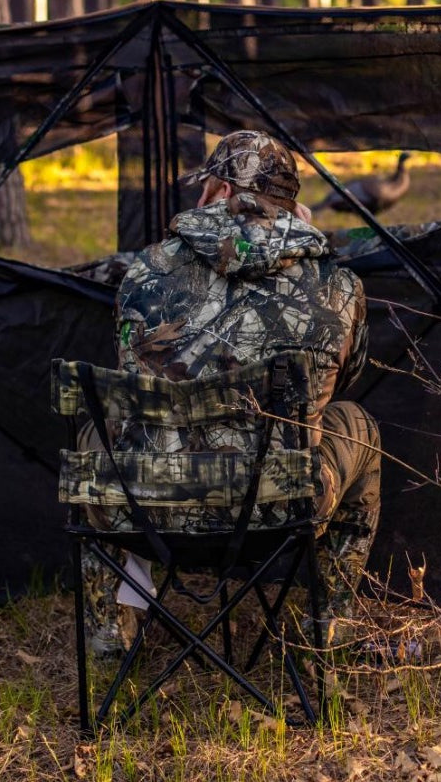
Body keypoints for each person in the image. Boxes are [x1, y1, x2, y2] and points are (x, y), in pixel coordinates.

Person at [84, 130, 380, 652]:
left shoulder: (144, 271)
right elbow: (343, 381)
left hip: (149, 505)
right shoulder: (337, 285)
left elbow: (131, 379)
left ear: (218, 190)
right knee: (360, 427)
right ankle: (331, 620)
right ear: (289, 201)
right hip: (283, 504)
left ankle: (112, 626)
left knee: (96, 431)